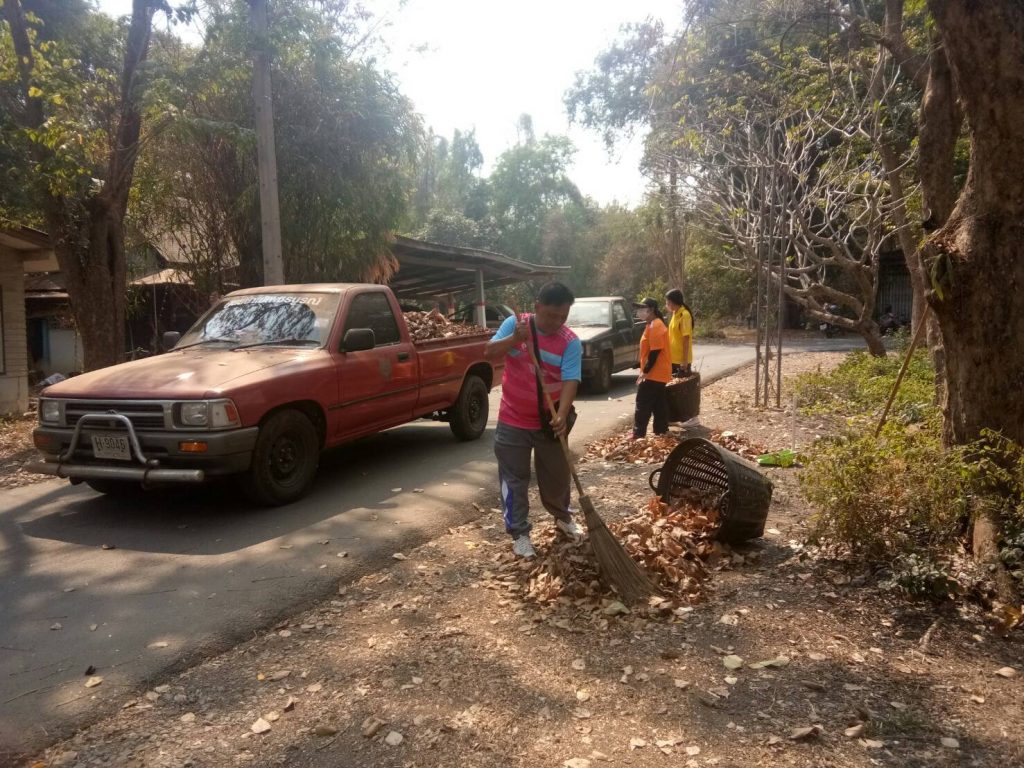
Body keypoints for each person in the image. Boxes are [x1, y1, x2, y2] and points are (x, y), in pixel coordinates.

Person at [485, 282, 584, 558]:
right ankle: (520, 534)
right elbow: (489, 352)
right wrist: (513, 340)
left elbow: (571, 380)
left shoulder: (570, 341)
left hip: (549, 422)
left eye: (563, 316)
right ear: (538, 307)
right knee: (513, 479)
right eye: (551, 315)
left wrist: (562, 414)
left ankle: (563, 517)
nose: (557, 322)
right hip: (512, 419)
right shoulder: (515, 325)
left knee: (557, 476)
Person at [634, 297, 672, 439]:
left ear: (651, 310)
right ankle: (661, 430)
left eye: (642, 309)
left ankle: (638, 433)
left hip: (654, 373)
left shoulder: (656, 326)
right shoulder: (652, 324)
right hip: (659, 373)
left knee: (642, 403)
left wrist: (645, 372)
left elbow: (655, 353)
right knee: (658, 403)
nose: (639, 312)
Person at [665, 288, 694, 377]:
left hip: (681, 361)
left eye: (668, 302)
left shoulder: (684, 315)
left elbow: (686, 339)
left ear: (674, 302)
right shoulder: (675, 314)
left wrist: (685, 361)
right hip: (673, 358)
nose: (666, 305)